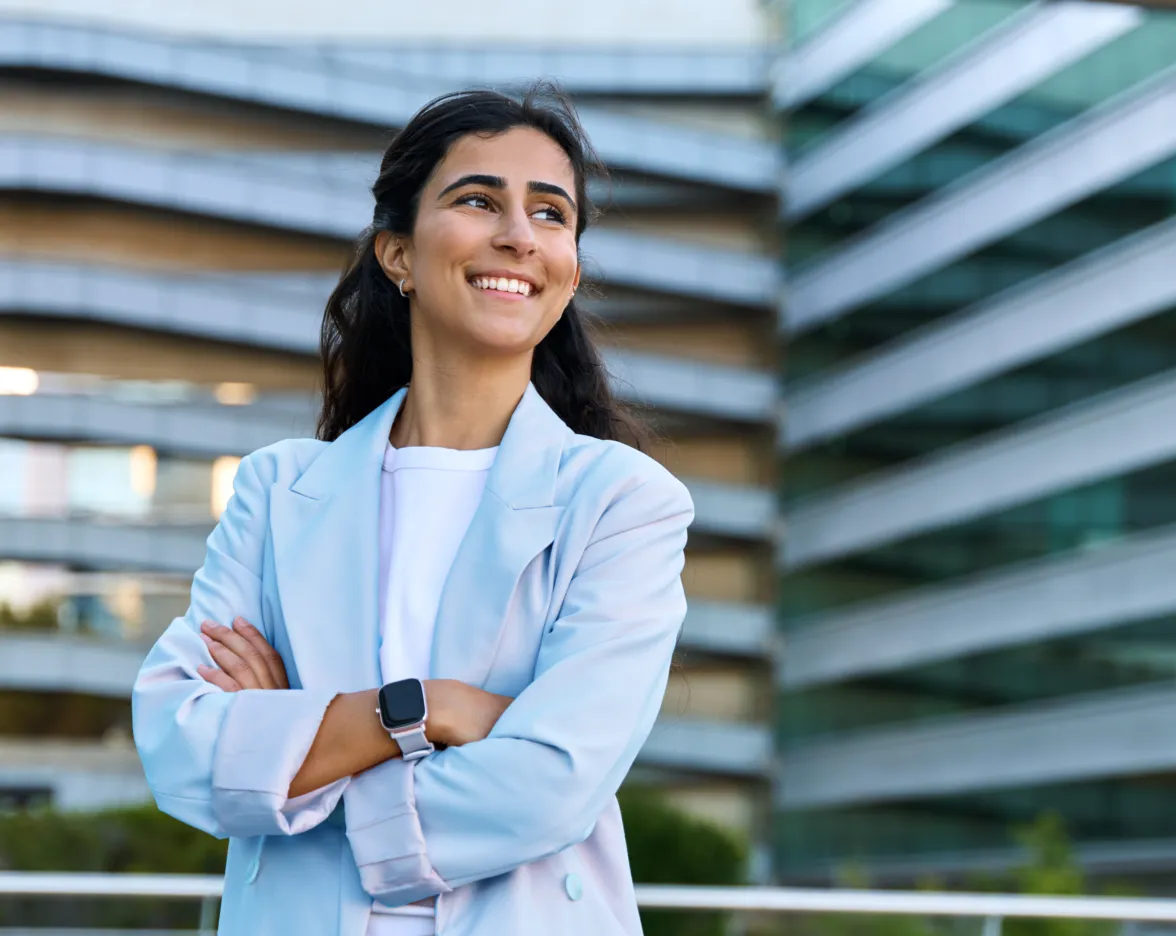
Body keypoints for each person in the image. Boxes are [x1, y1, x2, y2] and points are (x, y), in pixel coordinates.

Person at [132, 87, 694, 936]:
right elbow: (183, 746)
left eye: (551, 213)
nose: (518, 234)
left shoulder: (621, 501)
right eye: (478, 200)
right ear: (397, 253)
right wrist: (423, 707)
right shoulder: (278, 488)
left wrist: (295, 755)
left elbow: (551, 783)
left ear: (569, 265)